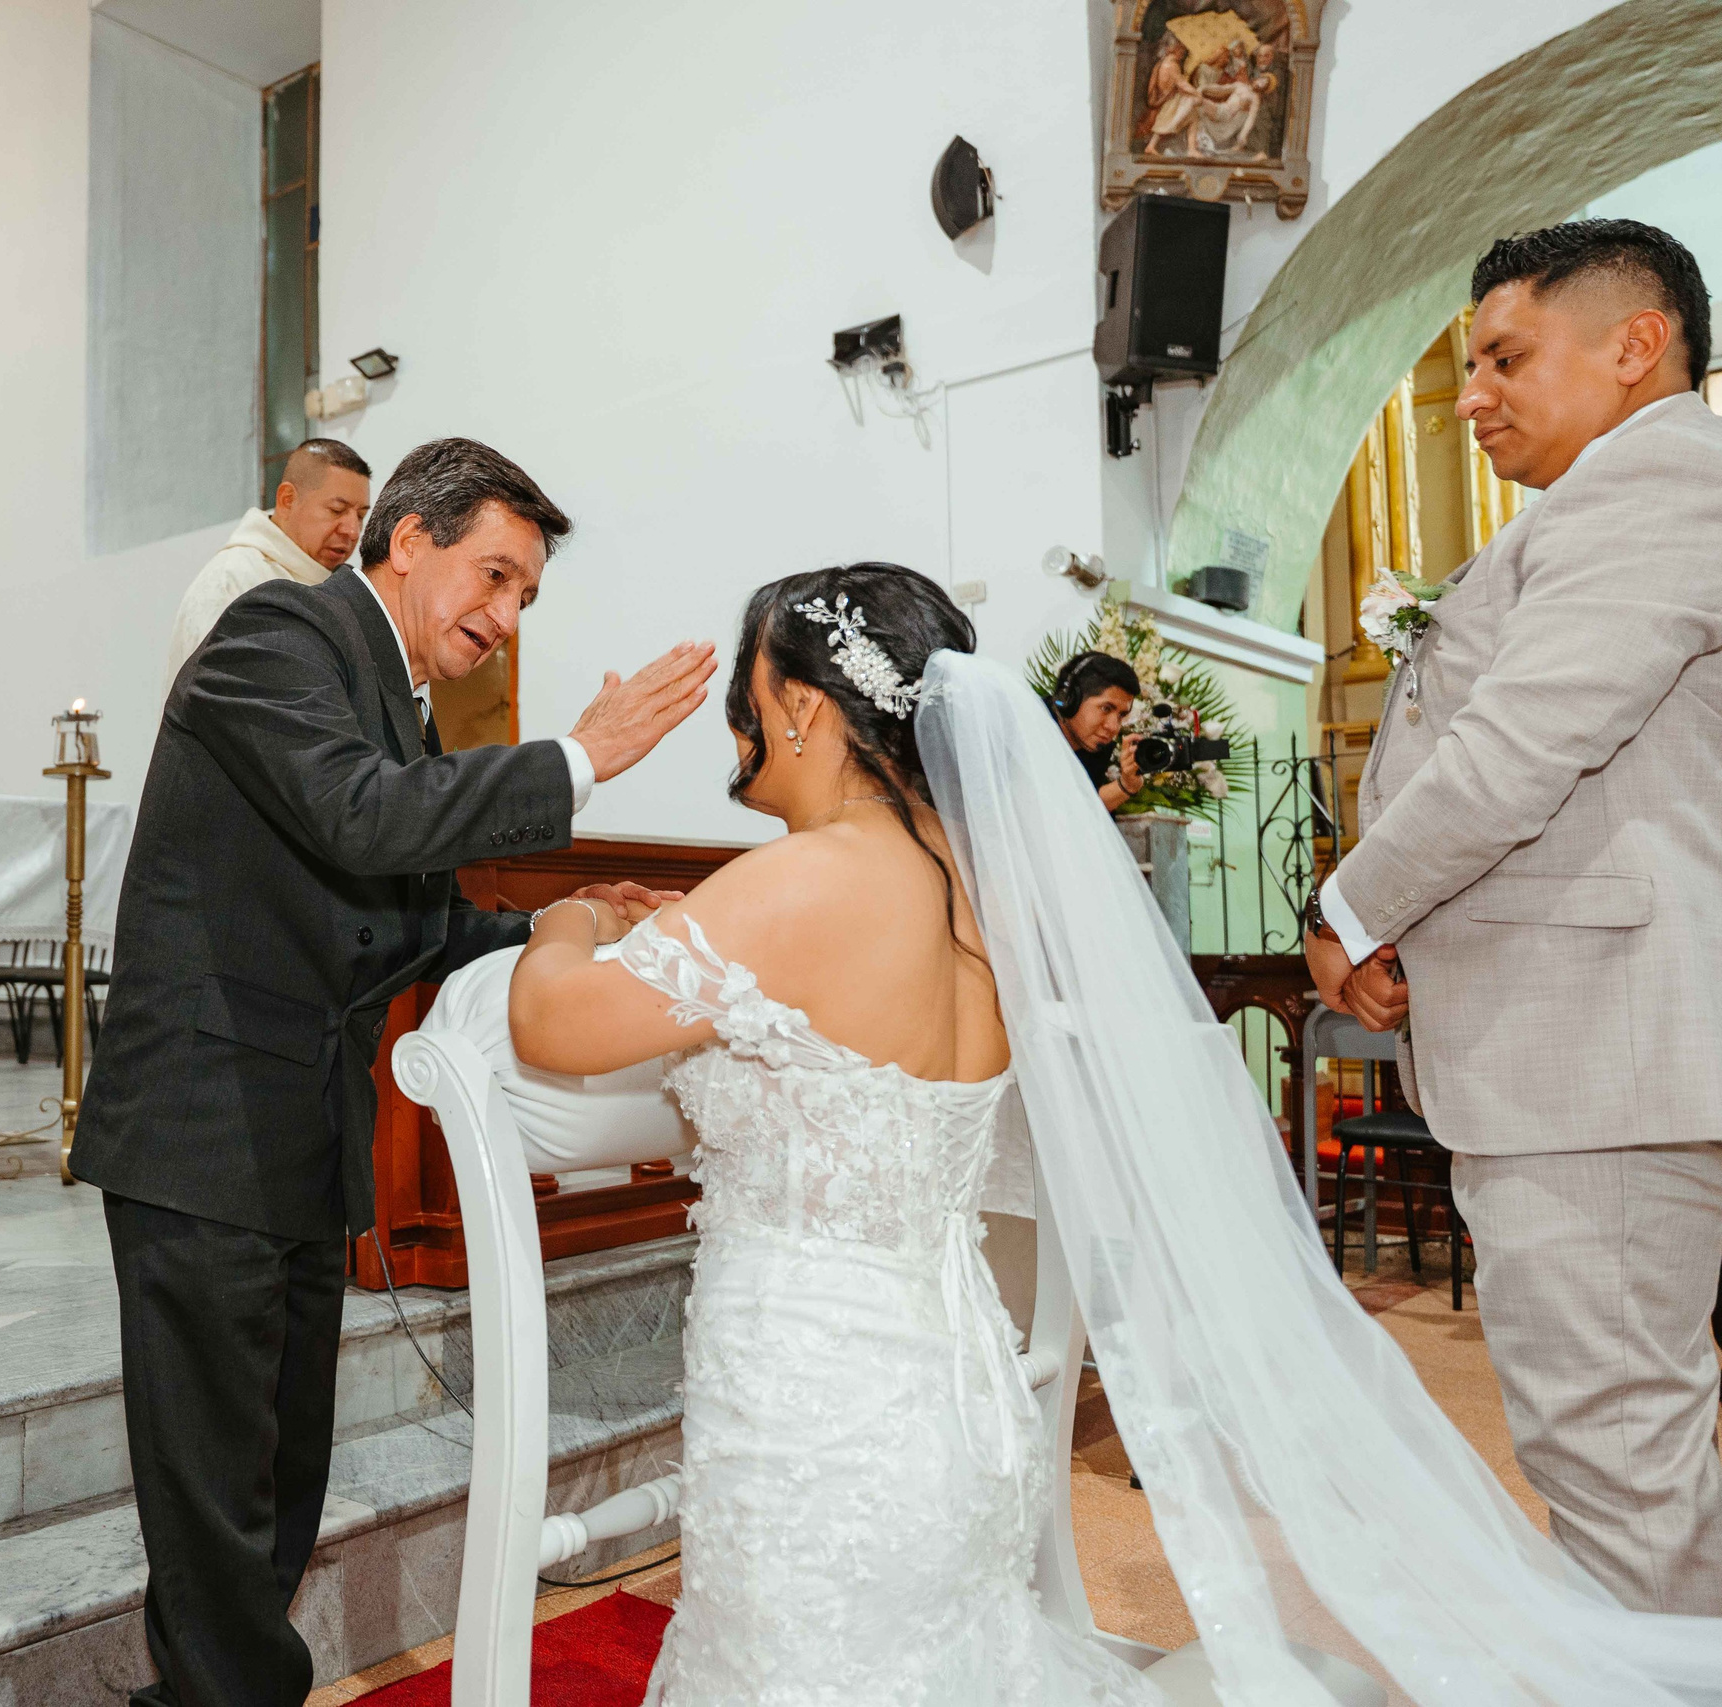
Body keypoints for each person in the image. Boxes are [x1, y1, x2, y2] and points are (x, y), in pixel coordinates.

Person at [505, 563, 1722, 1703]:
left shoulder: (802, 880)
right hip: (960, 1400)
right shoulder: (982, 892)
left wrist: (565, 917)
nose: (738, 724)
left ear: (805, 710)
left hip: (814, 1414)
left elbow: (556, 1028)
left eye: (747, 694)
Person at [70, 436, 716, 1707]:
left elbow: (396, 926)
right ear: (405, 541)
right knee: (213, 1493)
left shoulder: (397, 697)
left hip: (300, 1126)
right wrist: (583, 757)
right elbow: (361, 818)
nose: (504, 613)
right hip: (202, 1122)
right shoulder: (280, 635)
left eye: (526, 595)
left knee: (281, 1476)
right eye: (491, 575)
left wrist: (556, 918)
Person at [1305, 217, 1722, 1613]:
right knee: (1625, 1456)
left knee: (1618, 1468)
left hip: (1592, 1062)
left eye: (1503, 355)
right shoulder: (1610, 499)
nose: (1470, 393)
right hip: (1587, 1050)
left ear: (1633, 343)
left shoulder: (1655, 482)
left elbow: (1524, 746)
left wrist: (1351, 903)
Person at [160, 438, 374, 689]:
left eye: (360, 516)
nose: (352, 531)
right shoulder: (232, 581)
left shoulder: (346, 592)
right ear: (287, 499)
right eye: (337, 510)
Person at [1046, 649, 1143, 811]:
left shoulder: (1097, 749)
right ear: (1070, 699)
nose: (1113, 727)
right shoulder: (1027, 725)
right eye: (1106, 708)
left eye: (1121, 715)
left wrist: (1128, 784)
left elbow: (1081, 811)